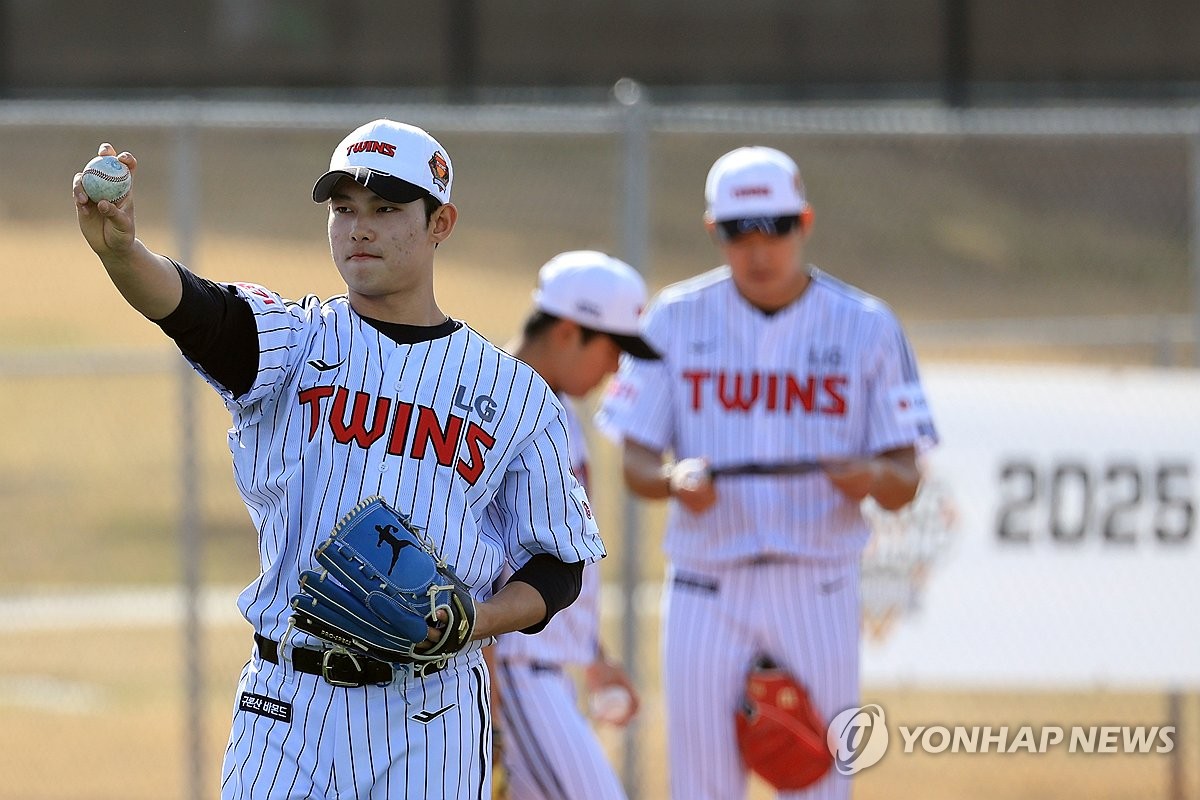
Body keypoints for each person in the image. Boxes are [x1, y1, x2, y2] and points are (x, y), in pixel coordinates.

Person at [73, 119, 607, 800]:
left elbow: (558, 563)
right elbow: (196, 309)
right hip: (285, 707)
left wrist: (476, 622)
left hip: (430, 715)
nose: (360, 228)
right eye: (344, 209)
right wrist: (122, 255)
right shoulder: (294, 345)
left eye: (386, 210)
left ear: (440, 222)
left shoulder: (512, 392)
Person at [596, 145, 939, 800]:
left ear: (804, 222)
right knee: (701, 787)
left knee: (815, 778)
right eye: (738, 230)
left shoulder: (866, 325)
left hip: (817, 584)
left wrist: (868, 474)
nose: (758, 247)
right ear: (713, 232)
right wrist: (670, 481)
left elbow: (905, 480)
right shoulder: (673, 317)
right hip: (705, 584)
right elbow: (634, 458)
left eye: (775, 226)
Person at [491, 251, 657, 800]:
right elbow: (473, 559)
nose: (616, 370)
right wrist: (488, 689)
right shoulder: (499, 406)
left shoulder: (553, 408)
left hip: (544, 665)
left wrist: (595, 657)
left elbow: (561, 555)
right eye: (613, 349)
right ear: (567, 331)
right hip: (514, 666)